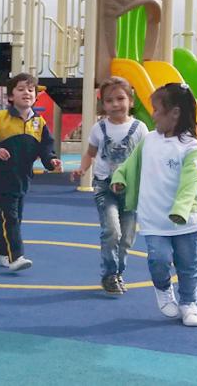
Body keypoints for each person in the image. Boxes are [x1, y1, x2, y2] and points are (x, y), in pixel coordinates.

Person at [111, 83, 197, 327]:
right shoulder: (149, 140)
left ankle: (188, 303)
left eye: (156, 110)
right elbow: (130, 164)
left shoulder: (191, 147)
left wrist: (181, 210)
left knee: (188, 265)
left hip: (185, 220)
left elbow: (190, 183)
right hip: (153, 218)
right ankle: (163, 289)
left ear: (174, 113)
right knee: (158, 260)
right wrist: (120, 178)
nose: (152, 115)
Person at [0, 72, 61, 272]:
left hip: (23, 178)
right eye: (21, 89)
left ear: (36, 96)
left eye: (30, 90)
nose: (27, 93)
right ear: (11, 96)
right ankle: (16, 256)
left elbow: (46, 147)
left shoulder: (39, 123)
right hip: (1, 179)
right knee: (11, 217)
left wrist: (51, 160)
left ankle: (0, 251)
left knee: (12, 218)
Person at [71, 76, 148, 295]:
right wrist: (82, 169)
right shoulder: (99, 128)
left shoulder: (140, 129)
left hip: (131, 189)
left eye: (120, 98)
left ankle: (119, 272)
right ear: (103, 105)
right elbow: (91, 153)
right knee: (112, 230)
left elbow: (148, 157)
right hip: (105, 186)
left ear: (130, 101)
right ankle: (109, 275)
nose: (115, 104)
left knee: (126, 238)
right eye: (109, 100)